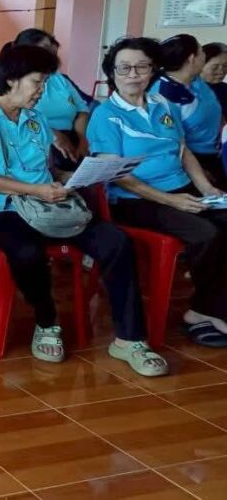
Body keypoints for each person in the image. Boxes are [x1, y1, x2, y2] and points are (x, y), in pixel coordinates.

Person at [0, 43, 167, 373]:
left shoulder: (36, 120)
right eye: (37, 82)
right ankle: (46, 321)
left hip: (49, 206)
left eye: (44, 82)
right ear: (11, 79)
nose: (42, 90)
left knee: (116, 241)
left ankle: (130, 339)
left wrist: (81, 177)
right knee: (26, 250)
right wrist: (36, 190)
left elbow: (48, 171)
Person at [88, 37, 227, 347]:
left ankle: (207, 308)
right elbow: (118, 175)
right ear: (112, 72)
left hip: (179, 187)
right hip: (135, 200)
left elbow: (182, 150)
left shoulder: (163, 104)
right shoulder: (106, 115)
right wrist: (171, 200)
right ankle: (209, 310)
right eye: (124, 68)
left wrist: (207, 188)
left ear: (152, 70)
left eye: (142, 67)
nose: (133, 74)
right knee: (206, 234)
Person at [0, 28, 90, 172]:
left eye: (52, 50)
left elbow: (82, 109)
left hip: (67, 143)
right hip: (39, 146)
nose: (42, 90)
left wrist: (82, 140)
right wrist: (52, 135)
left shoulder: (59, 81)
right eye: (37, 82)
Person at [156, 34, 225, 187]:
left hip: (216, 154)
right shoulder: (162, 95)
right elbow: (168, 141)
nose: (204, 55)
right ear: (192, 58)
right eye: (202, 51)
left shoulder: (196, 80)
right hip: (191, 163)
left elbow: (214, 110)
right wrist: (197, 173)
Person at [200, 42, 227, 117]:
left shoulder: (225, 89)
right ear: (200, 65)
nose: (221, 71)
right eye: (215, 67)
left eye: (225, 66)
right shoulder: (189, 90)